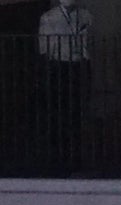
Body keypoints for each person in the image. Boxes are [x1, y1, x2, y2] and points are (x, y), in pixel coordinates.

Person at [36, 0, 92, 172]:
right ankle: (60, 153)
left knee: (76, 109)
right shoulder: (49, 17)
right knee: (60, 109)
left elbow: (86, 40)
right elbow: (44, 47)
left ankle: (74, 154)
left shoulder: (84, 15)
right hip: (59, 65)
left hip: (76, 65)